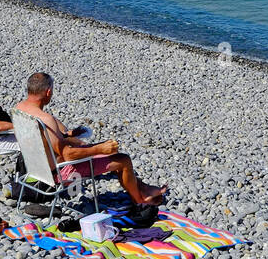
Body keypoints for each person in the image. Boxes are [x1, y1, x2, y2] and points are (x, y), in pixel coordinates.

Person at [14, 72, 167, 206]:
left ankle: (142, 187)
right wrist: (99, 148)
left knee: (101, 151)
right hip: (59, 173)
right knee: (123, 160)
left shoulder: (19, 109)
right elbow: (67, 154)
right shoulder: (46, 119)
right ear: (48, 92)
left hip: (36, 169)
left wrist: (67, 136)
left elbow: (46, 141)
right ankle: (140, 201)